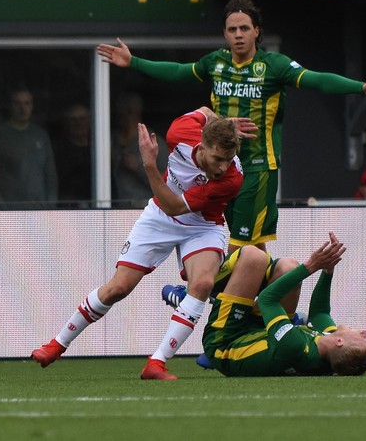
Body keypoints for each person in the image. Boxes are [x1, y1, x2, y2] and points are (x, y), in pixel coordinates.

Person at [97, 0, 366, 255]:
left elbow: (316, 79)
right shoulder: (216, 63)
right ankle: (262, 305)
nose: (238, 35)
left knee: (239, 245)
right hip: (222, 169)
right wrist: (134, 62)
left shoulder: (274, 66)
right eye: (232, 30)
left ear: (256, 31)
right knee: (253, 248)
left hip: (258, 167)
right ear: (225, 34)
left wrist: (359, 87)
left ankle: (201, 293)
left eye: (245, 29)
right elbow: (177, 71)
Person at [31, 107, 255, 380]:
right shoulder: (180, 132)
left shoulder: (232, 178)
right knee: (118, 288)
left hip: (201, 225)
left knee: (202, 284)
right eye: (219, 158)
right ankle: (56, 345)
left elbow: (175, 206)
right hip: (159, 218)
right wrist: (224, 122)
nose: (222, 166)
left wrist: (149, 165)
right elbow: (205, 112)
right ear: (204, 144)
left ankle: (157, 363)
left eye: (229, 159)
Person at [202, 232, 366, 377]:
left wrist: (310, 267)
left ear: (339, 342)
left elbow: (266, 299)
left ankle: (198, 289)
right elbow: (319, 313)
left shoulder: (295, 346)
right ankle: (225, 289)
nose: (364, 333)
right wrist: (327, 271)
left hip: (224, 342)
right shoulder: (329, 348)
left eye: (362, 339)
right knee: (289, 266)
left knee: (254, 256)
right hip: (257, 333)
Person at [0, 86, 58, 208]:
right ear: (10, 106)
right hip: (11, 215)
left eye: (27, 103)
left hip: (40, 213)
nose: (23, 108)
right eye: (17, 104)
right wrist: (3, 209)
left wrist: (51, 206)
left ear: (32, 105)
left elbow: (50, 175)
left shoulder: (41, 135)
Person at [111, 92, 169, 208]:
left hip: (144, 208)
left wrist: (138, 167)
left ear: (137, 112)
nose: (124, 116)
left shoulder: (153, 142)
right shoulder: (108, 142)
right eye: (120, 111)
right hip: (113, 208)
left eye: (128, 111)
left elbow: (167, 183)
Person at [52, 103, 92, 208]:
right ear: (67, 123)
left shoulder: (99, 150)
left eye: (82, 119)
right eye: (74, 120)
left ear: (89, 122)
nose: (78, 123)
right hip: (68, 208)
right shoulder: (60, 151)